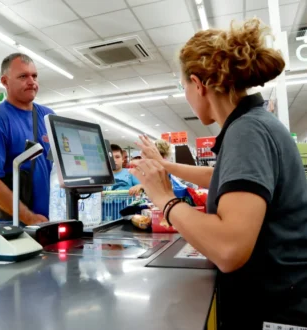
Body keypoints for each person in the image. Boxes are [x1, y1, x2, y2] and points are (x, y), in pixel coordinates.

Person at [131, 19, 307, 329]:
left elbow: (229, 249)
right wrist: (166, 166)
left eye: (184, 87)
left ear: (197, 85)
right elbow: (224, 180)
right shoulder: (254, 123)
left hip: (273, 310)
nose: (186, 94)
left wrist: (165, 199)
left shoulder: (247, 132)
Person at [0, 53, 54, 228]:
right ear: (5, 81)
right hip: (9, 225)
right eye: (23, 76)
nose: (31, 81)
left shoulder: (48, 116)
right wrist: (30, 218)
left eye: (34, 76)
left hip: (47, 222)